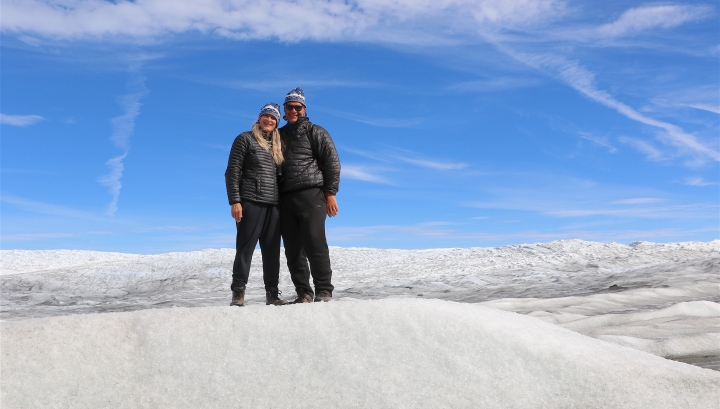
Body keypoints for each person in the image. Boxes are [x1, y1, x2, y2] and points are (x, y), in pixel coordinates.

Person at [278, 88, 340, 303]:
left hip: (312, 194)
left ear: (304, 109)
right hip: (286, 198)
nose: (294, 110)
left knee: (315, 242)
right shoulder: (279, 135)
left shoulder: (316, 132)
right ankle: (303, 292)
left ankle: (324, 290)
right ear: (284, 110)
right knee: (293, 249)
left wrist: (330, 194)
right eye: (290, 107)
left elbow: (332, 162)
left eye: (298, 107)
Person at [224, 103, 288, 307]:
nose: (269, 120)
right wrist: (235, 201)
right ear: (259, 118)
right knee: (245, 249)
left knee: (272, 251)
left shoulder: (278, 144)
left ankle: (272, 294)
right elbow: (232, 171)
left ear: (277, 122)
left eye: (273, 118)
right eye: (266, 116)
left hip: (274, 204)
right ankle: (238, 293)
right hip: (251, 201)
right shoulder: (245, 139)